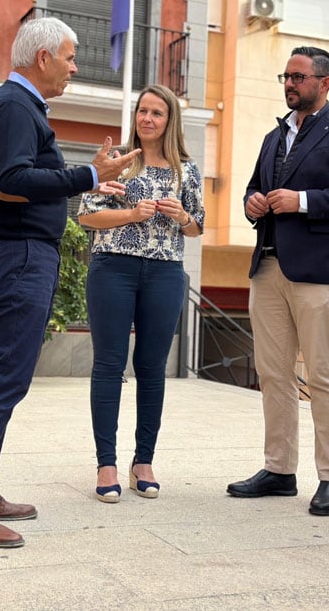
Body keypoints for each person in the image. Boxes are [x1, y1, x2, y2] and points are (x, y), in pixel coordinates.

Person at [0, 16, 140, 549]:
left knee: (7, 379)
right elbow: (10, 184)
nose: (75, 67)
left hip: (22, 256)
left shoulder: (20, 108)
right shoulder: (13, 106)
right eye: (70, 57)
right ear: (43, 57)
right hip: (16, 257)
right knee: (2, 380)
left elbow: (24, 176)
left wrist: (89, 173)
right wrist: (91, 176)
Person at [226, 45, 329, 517]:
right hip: (269, 266)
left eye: (298, 76)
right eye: (286, 76)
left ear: (324, 83)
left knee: (322, 376)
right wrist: (253, 203)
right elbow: (255, 186)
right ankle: (279, 470)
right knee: (273, 373)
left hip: (322, 273)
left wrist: (304, 201)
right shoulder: (275, 137)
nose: (290, 84)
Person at [78, 84, 205, 503]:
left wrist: (182, 215)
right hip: (113, 267)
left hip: (166, 272)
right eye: (142, 111)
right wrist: (132, 214)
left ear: (170, 121)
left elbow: (197, 226)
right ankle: (106, 464)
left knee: (152, 367)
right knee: (109, 364)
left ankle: (143, 461)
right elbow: (87, 217)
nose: (147, 119)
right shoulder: (116, 164)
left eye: (156, 113)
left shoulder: (185, 170)